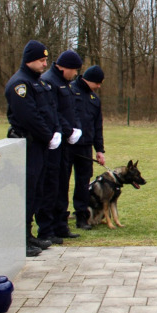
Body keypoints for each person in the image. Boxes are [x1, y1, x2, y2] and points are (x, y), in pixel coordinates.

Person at [4, 40, 61, 257]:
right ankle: (20, 239)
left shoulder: (37, 83)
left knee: (37, 191)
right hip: (29, 144)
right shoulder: (20, 84)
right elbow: (29, 117)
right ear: (30, 60)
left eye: (46, 59)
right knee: (27, 192)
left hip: (40, 145)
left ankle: (28, 235)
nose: (45, 64)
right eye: (41, 60)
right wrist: (48, 135)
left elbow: (48, 111)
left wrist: (54, 132)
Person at [35, 50, 84, 244]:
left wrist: (76, 129)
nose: (75, 75)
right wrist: (66, 130)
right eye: (74, 70)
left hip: (65, 142)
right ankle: (47, 229)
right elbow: (52, 111)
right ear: (63, 67)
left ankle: (61, 225)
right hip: (54, 142)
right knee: (51, 186)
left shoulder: (66, 83)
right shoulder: (49, 82)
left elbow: (72, 110)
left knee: (63, 183)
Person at [68, 65, 106, 230]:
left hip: (85, 147)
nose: (99, 87)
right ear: (90, 80)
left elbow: (98, 126)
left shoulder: (94, 99)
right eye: (98, 83)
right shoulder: (69, 90)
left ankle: (82, 217)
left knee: (83, 183)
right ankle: (60, 215)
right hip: (67, 145)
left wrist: (99, 149)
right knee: (61, 182)